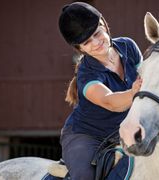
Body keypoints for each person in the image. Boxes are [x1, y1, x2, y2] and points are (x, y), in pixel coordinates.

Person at [58, 2, 143, 180]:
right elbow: (109, 102)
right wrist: (133, 92)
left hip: (123, 130)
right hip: (86, 136)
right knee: (84, 177)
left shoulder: (128, 46)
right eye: (87, 42)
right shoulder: (86, 73)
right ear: (79, 49)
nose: (96, 43)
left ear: (104, 24)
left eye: (97, 34)